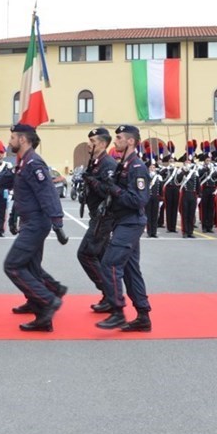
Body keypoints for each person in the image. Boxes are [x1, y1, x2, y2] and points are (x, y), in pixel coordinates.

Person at [4, 123, 68, 332]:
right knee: (30, 267)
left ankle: (48, 299)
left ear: (23, 139)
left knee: (13, 265)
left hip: (36, 223)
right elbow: (24, 194)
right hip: (29, 220)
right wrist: (14, 217)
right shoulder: (24, 162)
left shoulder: (33, 163)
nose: (10, 141)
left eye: (13, 137)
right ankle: (43, 316)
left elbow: (47, 193)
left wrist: (57, 223)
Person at [94, 125, 152, 332]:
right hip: (122, 221)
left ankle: (117, 311)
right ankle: (143, 315)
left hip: (130, 222)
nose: (115, 140)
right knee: (130, 270)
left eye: (118, 137)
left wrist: (115, 190)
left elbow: (139, 199)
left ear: (130, 141)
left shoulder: (136, 167)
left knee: (109, 265)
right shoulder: (124, 165)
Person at [75, 127, 118, 311]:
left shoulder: (107, 163)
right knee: (103, 259)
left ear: (101, 144)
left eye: (92, 142)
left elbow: (108, 190)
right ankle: (110, 297)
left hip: (104, 216)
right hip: (97, 215)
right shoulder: (95, 162)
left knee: (85, 253)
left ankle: (110, 293)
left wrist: (91, 180)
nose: (89, 146)